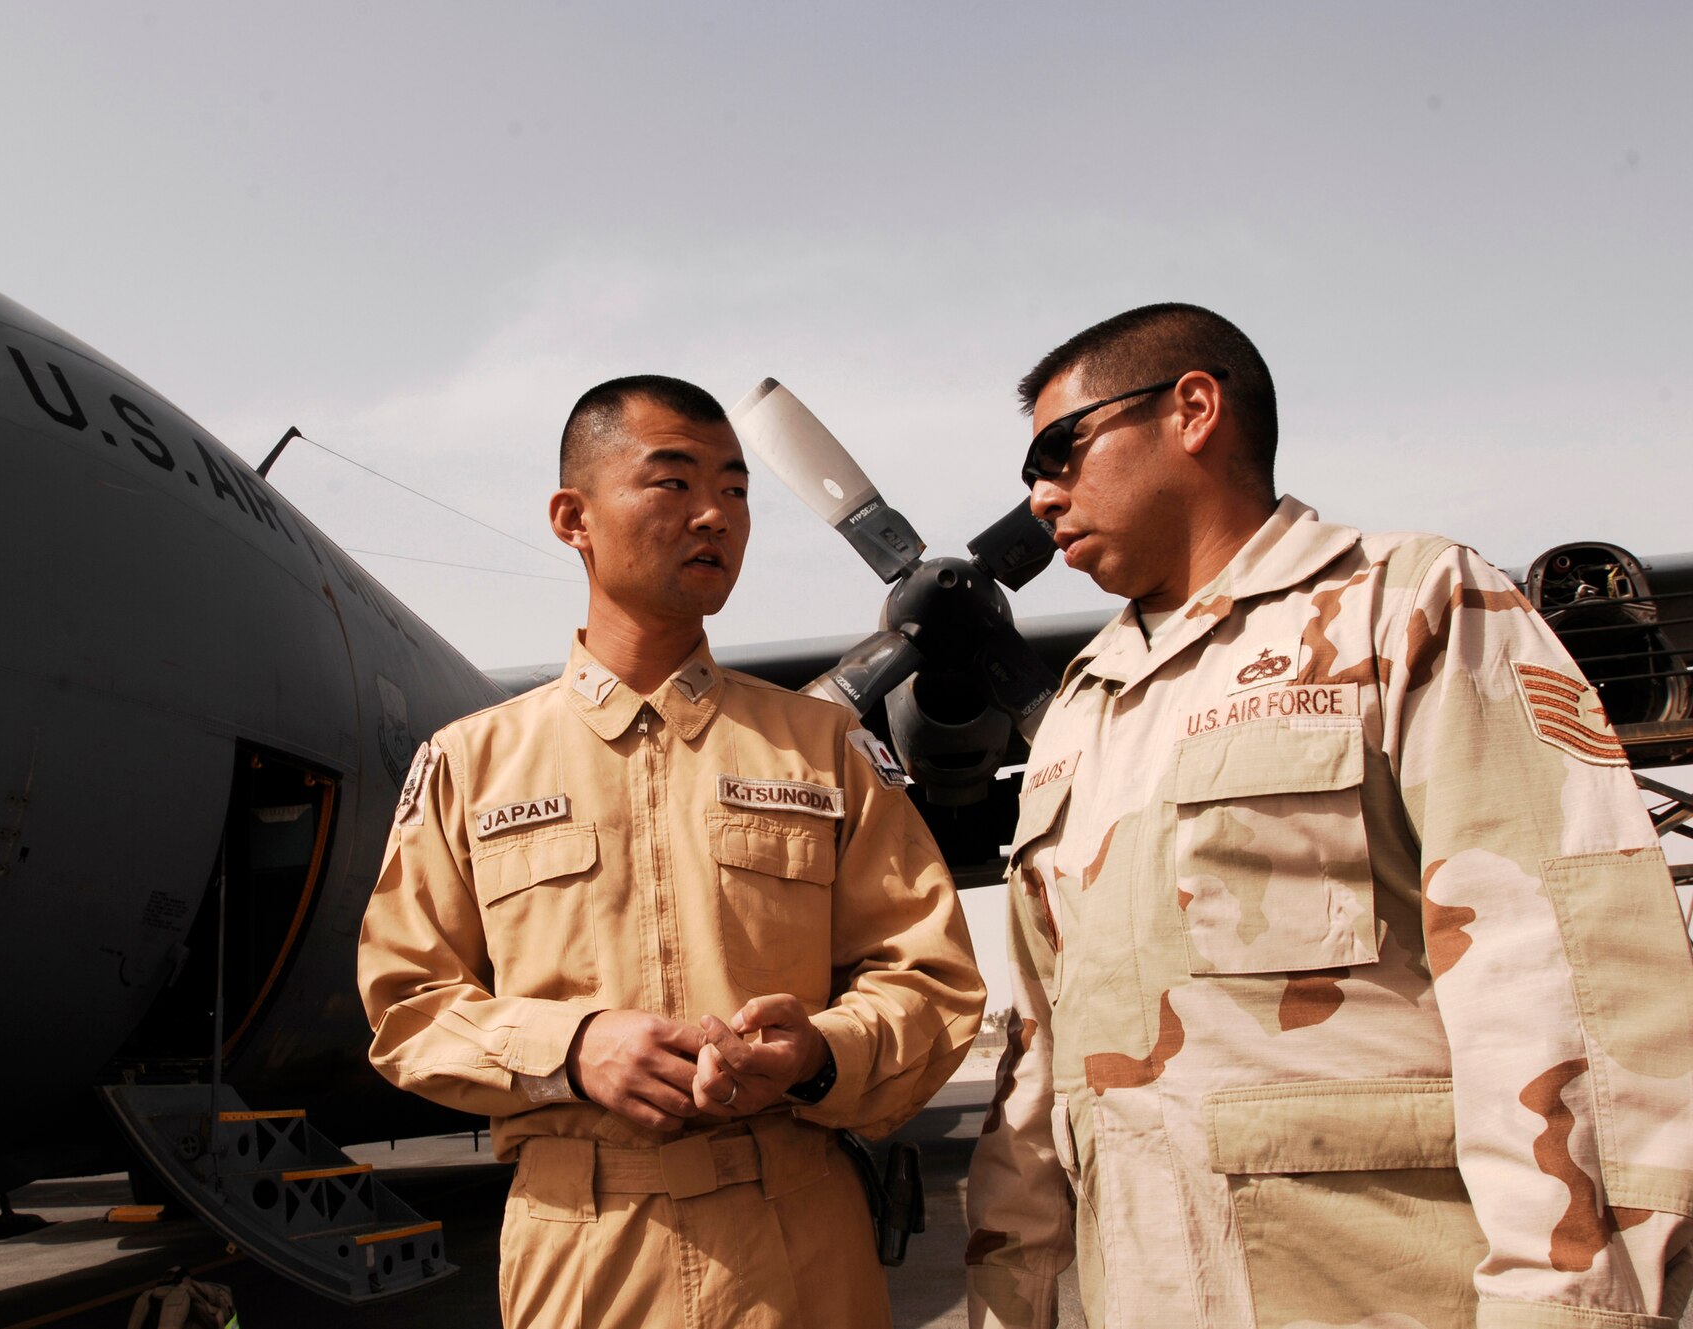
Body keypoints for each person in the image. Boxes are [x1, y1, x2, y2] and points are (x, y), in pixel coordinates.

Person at [965, 304, 1693, 1328]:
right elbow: (1038, 1043)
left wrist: (1575, 1306)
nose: (1038, 496)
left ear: (1192, 409)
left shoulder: (1407, 606)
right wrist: (1011, 1293)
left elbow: (1568, 972)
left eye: (1059, 448)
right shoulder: (1080, 706)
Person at [359, 374, 985, 1328]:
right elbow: (407, 1005)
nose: (715, 516)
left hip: (801, 1243)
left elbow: (930, 977)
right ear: (574, 516)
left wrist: (820, 1053)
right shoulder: (468, 764)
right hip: (579, 1247)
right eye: (673, 482)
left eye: (736, 490)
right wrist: (571, 1049)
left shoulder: (823, 749)